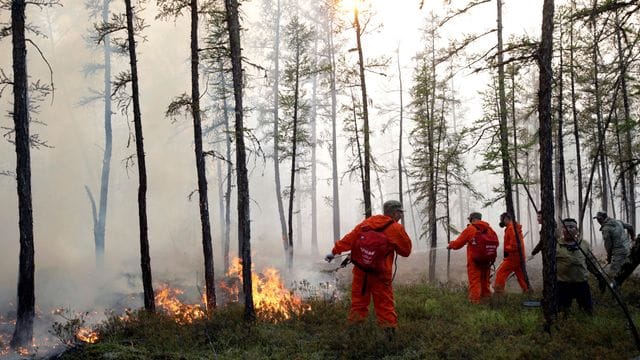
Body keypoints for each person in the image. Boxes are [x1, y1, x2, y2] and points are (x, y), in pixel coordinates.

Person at [324, 200, 412, 329]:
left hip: (361, 272)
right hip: (380, 275)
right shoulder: (395, 228)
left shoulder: (368, 222)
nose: (401, 216)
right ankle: (389, 338)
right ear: (394, 213)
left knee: (358, 304)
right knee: (384, 307)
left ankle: (354, 334)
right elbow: (406, 251)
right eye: (400, 213)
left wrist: (334, 252)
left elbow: (350, 238)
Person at [447, 212, 498, 304]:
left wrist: (451, 245)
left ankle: (474, 303)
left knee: (475, 282)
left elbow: (458, 243)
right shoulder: (489, 229)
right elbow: (496, 243)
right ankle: (487, 300)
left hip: (474, 262)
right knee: (485, 281)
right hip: (487, 261)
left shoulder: (470, 229)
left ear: (472, 219)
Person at [557, 218, 600, 314]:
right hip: (563, 285)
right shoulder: (556, 245)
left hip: (581, 284)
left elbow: (591, 263)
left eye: (571, 227)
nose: (568, 229)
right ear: (562, 230)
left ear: (576, 230)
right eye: (565, 227)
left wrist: (599, 276)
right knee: (562, 312)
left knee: (587, 311)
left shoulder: (584, 244)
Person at [493, 212, 529, 294]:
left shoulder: (511, 228)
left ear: (506, 219)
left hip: (513, 257)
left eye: (501, 220)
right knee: (521, 276)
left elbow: (515, 245)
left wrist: (506, 249)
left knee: (500, 273)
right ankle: (527, 291)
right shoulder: (512, 227)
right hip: (518, 257)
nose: (501, 222)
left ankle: (498, 293)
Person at [594, 211, 632, 277]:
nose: (598, 221)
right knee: (624, 270)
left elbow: (608, 246)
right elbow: (630, 226)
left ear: (603, 218)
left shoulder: (606, 229)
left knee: (613, 274)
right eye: (597, 219)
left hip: (619, 253)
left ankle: (614, 286)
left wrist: (609, 258)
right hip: (628, 250)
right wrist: (633, 237)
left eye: (599, 219)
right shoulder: (618, 222)